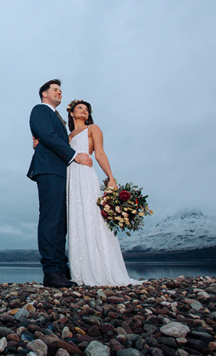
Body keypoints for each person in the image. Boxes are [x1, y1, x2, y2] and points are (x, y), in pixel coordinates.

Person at [65, 99, 142, 287]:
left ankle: (102, 269)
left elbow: (99, 153)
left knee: (92, 216)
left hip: (84, 174)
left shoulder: (93, 129)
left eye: (87, 109)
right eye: (80, 108)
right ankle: (80, 271)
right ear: (72, 113)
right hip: (70, 177)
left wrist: (111, 178)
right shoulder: (67, 137)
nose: (84, 111)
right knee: (76, 218)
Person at [27, 80, 92, 288]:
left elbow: (51, 137)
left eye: (60, 90)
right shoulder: (40, 110)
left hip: (61, 172)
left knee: (60, 222)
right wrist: (74, 156)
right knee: (50, 219)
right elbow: (46, 134)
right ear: (44, 94)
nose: (59, 92)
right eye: (55, 90)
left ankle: (61, 269)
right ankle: (51, 271)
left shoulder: (58, 118)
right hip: (49, 169)